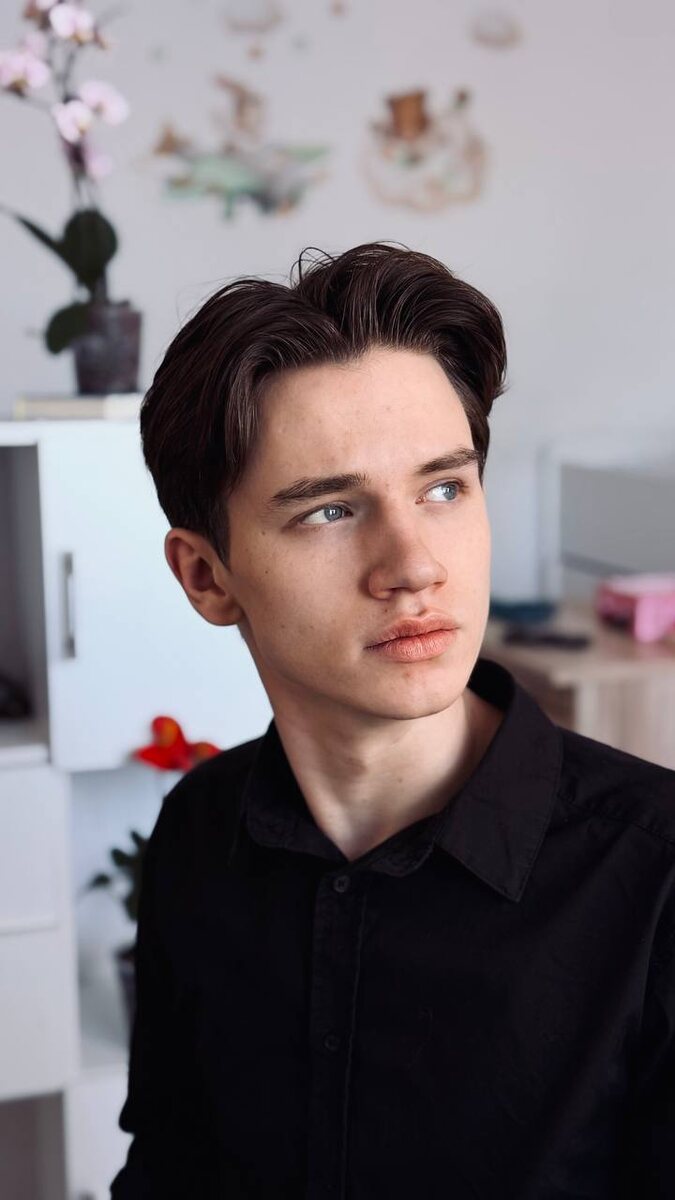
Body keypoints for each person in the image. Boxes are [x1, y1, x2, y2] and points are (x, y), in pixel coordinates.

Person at [110, 243, 675, 1199]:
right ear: (207, 577)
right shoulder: (197, 832)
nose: (413, 565)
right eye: (330, 511)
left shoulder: (655, 874)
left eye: (443, 488)